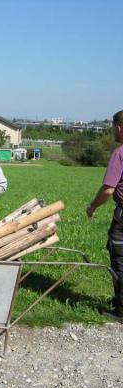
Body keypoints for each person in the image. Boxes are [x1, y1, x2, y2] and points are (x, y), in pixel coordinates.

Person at [87, 110, 123, 322]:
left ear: (119, 127)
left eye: (113, 128)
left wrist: (92, 207)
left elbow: (108, 190)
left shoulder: (120, 153)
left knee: (120, 259)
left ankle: (121, 310)